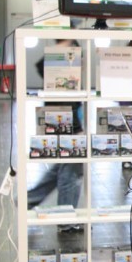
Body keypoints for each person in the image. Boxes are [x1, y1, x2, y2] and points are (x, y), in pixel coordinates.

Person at [27, 39, 84, 227]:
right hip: (62, 117)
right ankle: (65, 220)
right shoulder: (60, 57)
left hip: (67, 116)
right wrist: (77, 127)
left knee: (63, 165)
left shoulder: (70, 51)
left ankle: (30, 199)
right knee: (71, 170)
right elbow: (42, 67)